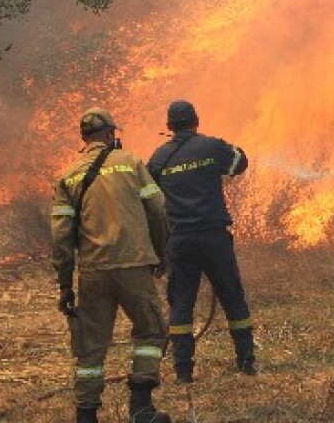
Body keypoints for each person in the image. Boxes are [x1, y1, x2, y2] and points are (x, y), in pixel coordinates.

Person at [51, 107, 172, 423]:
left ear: (84, 138)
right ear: (109, 134)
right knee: (150, 331)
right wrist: (161, 253)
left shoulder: (68, 176)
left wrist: (65, 284)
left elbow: (61, 236)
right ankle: (141, 409)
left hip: (93, 271)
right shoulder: (130, 163)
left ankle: (86, 414)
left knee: (90, 347)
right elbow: (158, 209)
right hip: (134, 264)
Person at [148, 100, 256, 382]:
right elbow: (239, 163)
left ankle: (183, 370)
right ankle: (246, 362)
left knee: (181, 303)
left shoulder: (159, 157)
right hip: (213, 237)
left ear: (169, 126)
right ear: (196, 121)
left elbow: (150, 201)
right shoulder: (211, 147)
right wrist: (228, 150)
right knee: (232, 296)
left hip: (180, 240)